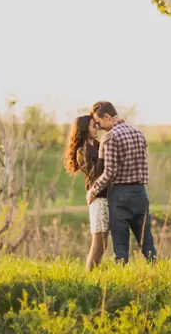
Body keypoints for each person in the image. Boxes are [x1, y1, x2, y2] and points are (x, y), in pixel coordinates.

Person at [86, 101, 157, 264]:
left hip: (120, 196)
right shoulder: (138, 133)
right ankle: (157, 276)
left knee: (121, 249)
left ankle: (122, 284)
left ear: (108, 117)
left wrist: (93, 190)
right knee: (147, 245)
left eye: (99, 122)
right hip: (141, 193)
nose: (100, 127)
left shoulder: (110, 137)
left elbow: (110, 172)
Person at [64, 114, 110, 270]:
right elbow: (96, 175)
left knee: (103, 244)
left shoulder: (96, 145)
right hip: (98, 200)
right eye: (93, 126)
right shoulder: (83, 152)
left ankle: (94, 275)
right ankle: (90, 277)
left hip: (106, 198)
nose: (97, 128)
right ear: (84, 130)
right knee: (98, 244)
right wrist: (103, 151)